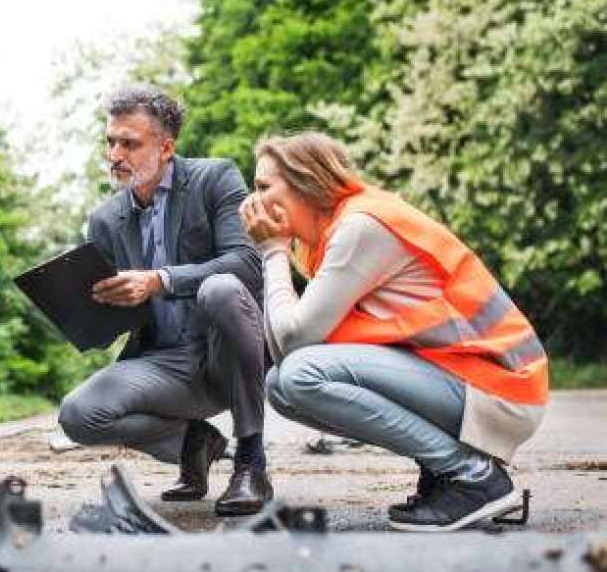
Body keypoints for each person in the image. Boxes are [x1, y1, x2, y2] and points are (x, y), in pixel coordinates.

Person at [240, 131, 547, 532]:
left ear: (306, 184)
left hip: (500, 388)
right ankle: (446, 471)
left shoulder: (360, 228)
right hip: (469, 379)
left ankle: (473, 477)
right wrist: (279, 249)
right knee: (282, 386)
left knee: (300, 376)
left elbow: (294, 342)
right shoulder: (338, 231)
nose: (253, 201)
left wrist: (274, 251)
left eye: (264, 186)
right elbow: (285, 346)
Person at [57, 85, 272, 515]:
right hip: (164, 361)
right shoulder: (104, 221)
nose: (115, 154)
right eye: (110, 141)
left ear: (166, 146)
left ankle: (251, 461)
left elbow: (247, 263)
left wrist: (159, 280)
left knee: (222, 287)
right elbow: (115, 322)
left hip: (226, 349)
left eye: (130, 143)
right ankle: (196, 443)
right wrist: (82, 312)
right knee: (78, 415)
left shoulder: (215, 178)